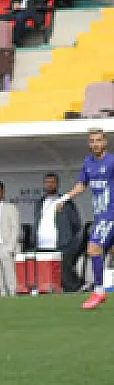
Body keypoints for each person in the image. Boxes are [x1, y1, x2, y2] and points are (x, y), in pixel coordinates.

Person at [54, 129, 114, 308]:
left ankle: (99, 291)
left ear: (105, 142)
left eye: (98, 140)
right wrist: (65, 198)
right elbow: (82, 185)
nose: (95, 144)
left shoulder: (111, 161)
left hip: (110, 215)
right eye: (92, 141)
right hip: (101, 214)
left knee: (94, 248)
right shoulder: (88, 162)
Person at [34, 172, 83, 292]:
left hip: (61, 245)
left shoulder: (65, 201)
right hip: (42, 246)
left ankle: (74, 295)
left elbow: (76, 223)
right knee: (46, 279)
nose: (49, 185)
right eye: (47, 182)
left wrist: (67, 239)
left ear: (57, 184)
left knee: (65, 277)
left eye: (52, 182)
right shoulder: (40, 202)